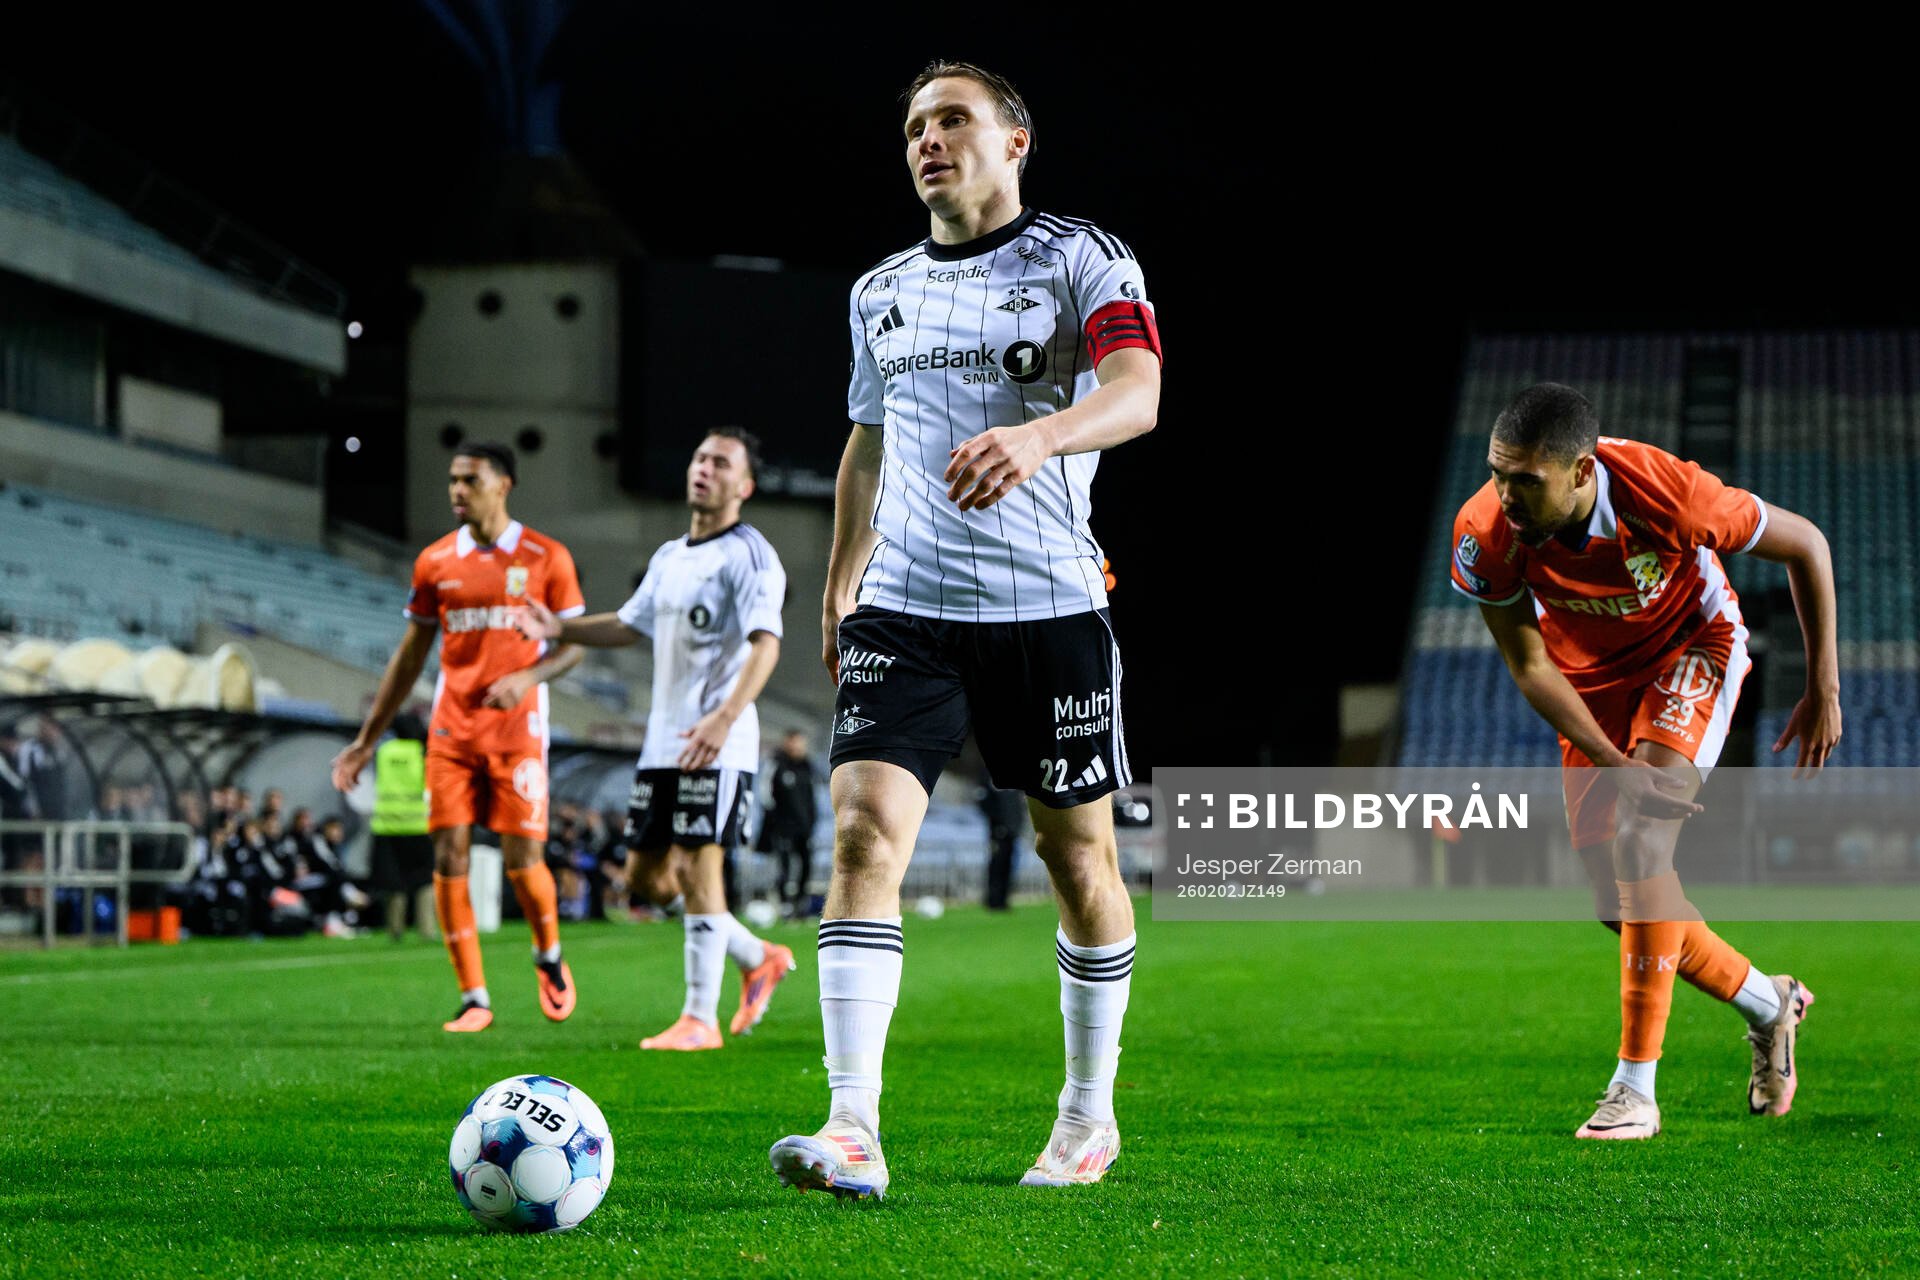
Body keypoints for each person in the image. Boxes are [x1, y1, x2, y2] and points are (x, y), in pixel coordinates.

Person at [766, 60, 1161, 1200]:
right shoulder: (878, 289)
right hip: (908, 608)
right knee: (861, 838)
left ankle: (1088, 1115)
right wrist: (841, 581)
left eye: (953, 120)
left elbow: (1138, 391)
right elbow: (867, 442)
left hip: (1048, 606)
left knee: (1075, 855)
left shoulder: (1084, 258)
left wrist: (1040, 441)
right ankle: (852, 1126)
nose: (929, 140)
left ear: (1015, 141)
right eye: (914, 128)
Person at [1451, 382, 1841, 1141]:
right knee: (1618, 907)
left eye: (1524, 481)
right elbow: (1529, 665)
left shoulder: (1669, 494)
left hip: (1690, 650)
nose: (1505, 495)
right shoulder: (1484, 530)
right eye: (1497, 473)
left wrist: (1823, 684)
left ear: (1581, 472)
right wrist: (1607, 757)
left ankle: (1634, 1091)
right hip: (1589, 688)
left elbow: (1808, 544)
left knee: (1643, 846)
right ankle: (1771, 1003)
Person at [518, 428, 795, 1050]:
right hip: (661, 745)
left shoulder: (750, 555)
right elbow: (625, 624)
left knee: (700, 865)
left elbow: (766, 644)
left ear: (744, 486)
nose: (704, 468)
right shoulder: (671, 556)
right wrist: (556, 625)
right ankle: (756, 954)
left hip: (717, 740)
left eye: (721, 462)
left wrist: (724, 718)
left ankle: (700, 1019)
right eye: (699, 457)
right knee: (645, 881)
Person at [330, 442, 588, 1032]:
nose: (456, 490)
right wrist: (367, 738)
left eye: (469, 479)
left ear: (504, 485)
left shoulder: (546, 555)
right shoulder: (436, 561)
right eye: (451, 480)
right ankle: (475, 997)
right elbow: (411, 653)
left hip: (519, 731)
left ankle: (548, 955)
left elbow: (575, 642)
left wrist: (529, 675)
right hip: (452, 730)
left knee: (524, 859)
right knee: (449, 856)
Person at [369, 712, 437, 941]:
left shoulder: (385, 752)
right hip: (418, 826)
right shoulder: (422, 752)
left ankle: (394, 930)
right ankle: (427, 929)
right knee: (425, 879)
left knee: (393, 880)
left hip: (387, 825)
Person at [759, 730, 820, 916]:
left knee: (806, 865)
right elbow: (765, 793)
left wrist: (811, 821)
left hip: (805, 827)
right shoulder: (776, 764)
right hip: (783, 827)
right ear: (787, 743)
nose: (796, 746)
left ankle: (801, 904)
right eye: (793, 742)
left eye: (800, 742)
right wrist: (774, 821)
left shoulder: (808, 767)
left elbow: (813, 798)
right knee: (784, 866)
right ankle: (784, 904)